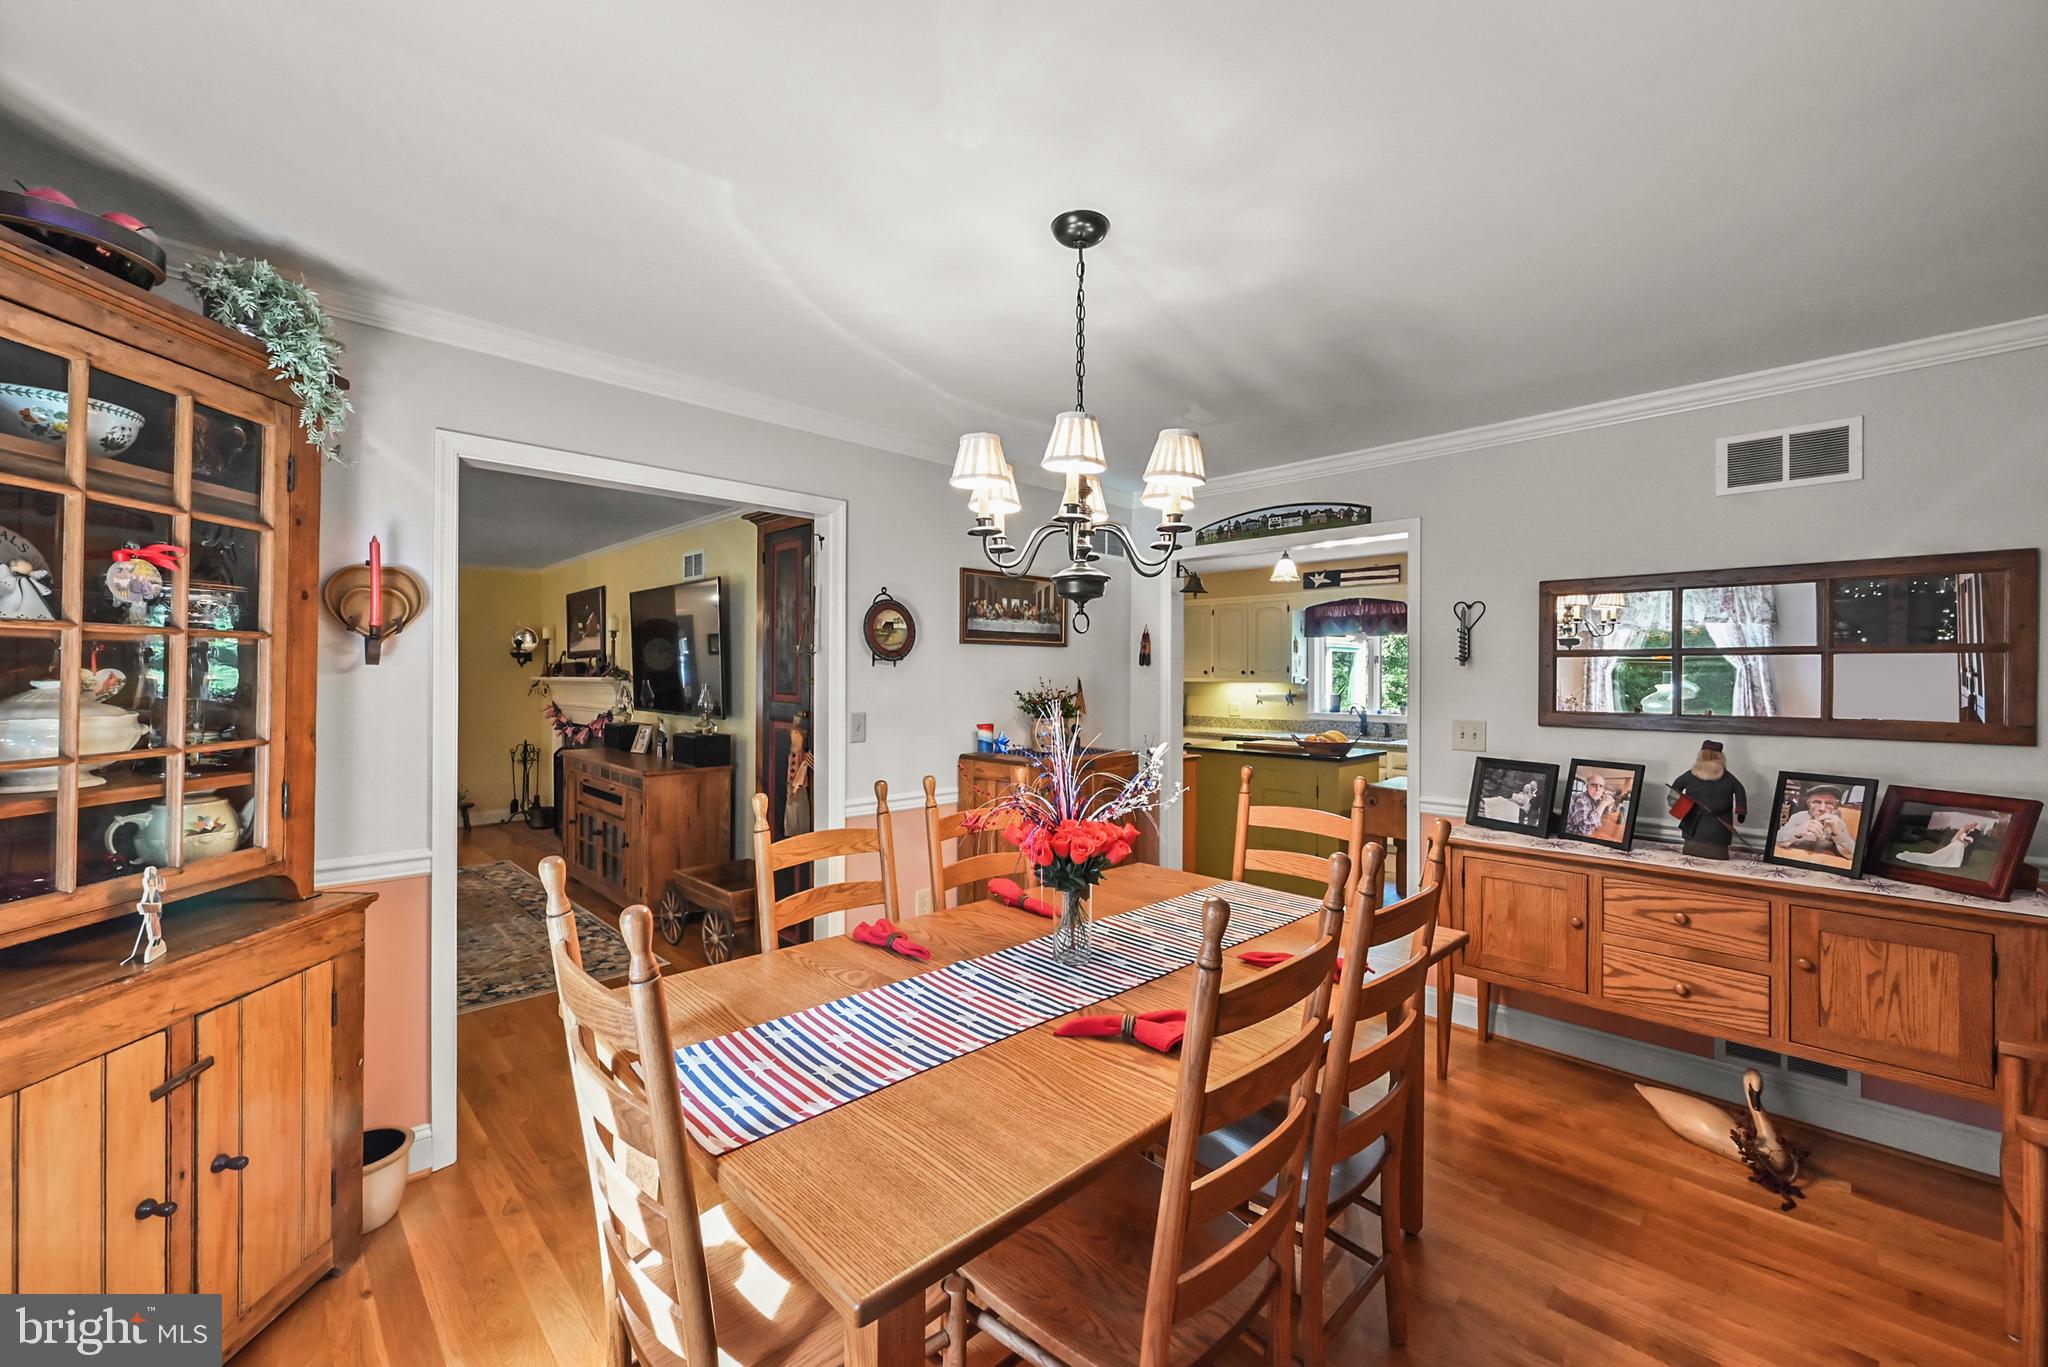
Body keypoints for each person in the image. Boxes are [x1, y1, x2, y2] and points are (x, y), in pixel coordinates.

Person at [1669, 739, 1746, 859]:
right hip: (1711, 825)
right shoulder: (1729, 778)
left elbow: (1674, 790)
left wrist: (1674, 803)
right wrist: (1741, 813)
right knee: (1703, 846)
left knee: (1705, 847)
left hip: (1706, 823)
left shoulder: (1690, 775)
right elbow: (1740, 791)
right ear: (1721, 758)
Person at [1777, 784, 1855, 861]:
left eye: (1829, 803)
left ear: (1835, 806)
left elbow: (1853, 854)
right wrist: (1797, 832)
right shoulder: (1798, 817)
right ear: (1808, 803)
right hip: (1796, 859)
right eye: (1817, 802)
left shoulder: (1838, 823)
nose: (1822, 808)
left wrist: (1838, 834)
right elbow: (1777, 840)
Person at [1565, 771, 1618, 838]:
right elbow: (1586, 830)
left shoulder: (1595, 797)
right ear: (1587, 787)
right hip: (1573, 836)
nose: (1598, 789)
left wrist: (1609, 802)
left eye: (1601, 786)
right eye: (1594, 785)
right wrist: (1603, 804)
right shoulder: (1581, 799)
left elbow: (1608, 811)